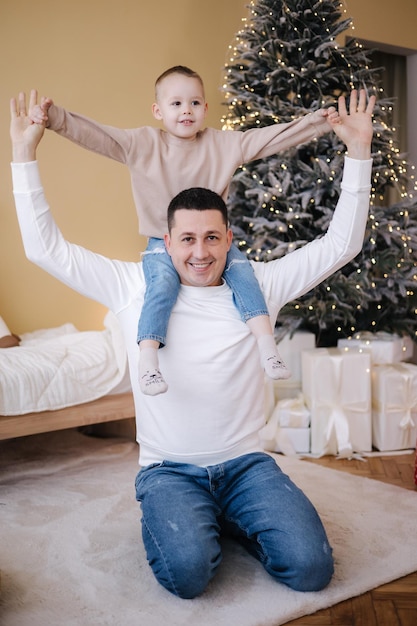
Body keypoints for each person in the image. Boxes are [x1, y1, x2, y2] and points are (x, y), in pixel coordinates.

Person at [10, 87, 375, 599]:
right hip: (169, 470)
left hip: (247, 465)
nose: (200, 252)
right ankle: (192, 517)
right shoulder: (132, 286)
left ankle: (229, 517)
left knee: (310, 569)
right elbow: (45, 248)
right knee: (187, 576)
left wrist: (359, 152)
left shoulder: (261, 285)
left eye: (211, 238)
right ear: (167, 241)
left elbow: (342, 244)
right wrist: (23, 154)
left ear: (229, 239)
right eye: (187, 239)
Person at [29, 66, 338, 395]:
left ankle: (267, 347)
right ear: (158, 111)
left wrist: (317, 122)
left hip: (211, 241)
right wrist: (55, 117)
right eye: (175, 104)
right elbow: (98, 136)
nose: (185, 110)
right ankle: (148, 360)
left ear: (205, 109)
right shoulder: (142, 144)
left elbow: (268, 139)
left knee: (244, 274)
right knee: (161, 285)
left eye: (193, 103)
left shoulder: (223, 144)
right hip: (162, 242)